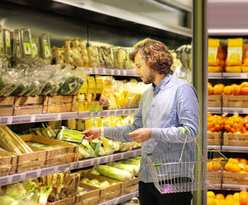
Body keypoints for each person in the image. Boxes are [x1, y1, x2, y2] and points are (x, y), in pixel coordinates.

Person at [82, 38, 200, 205]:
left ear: (152, 61)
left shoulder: (182, 90)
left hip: (173, 179)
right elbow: (134, 129)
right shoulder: (147, 95)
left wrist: (152, 133)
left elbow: (190, 131)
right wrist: (101, 131)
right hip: (147, 177)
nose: (136, 72)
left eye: (138, 66)